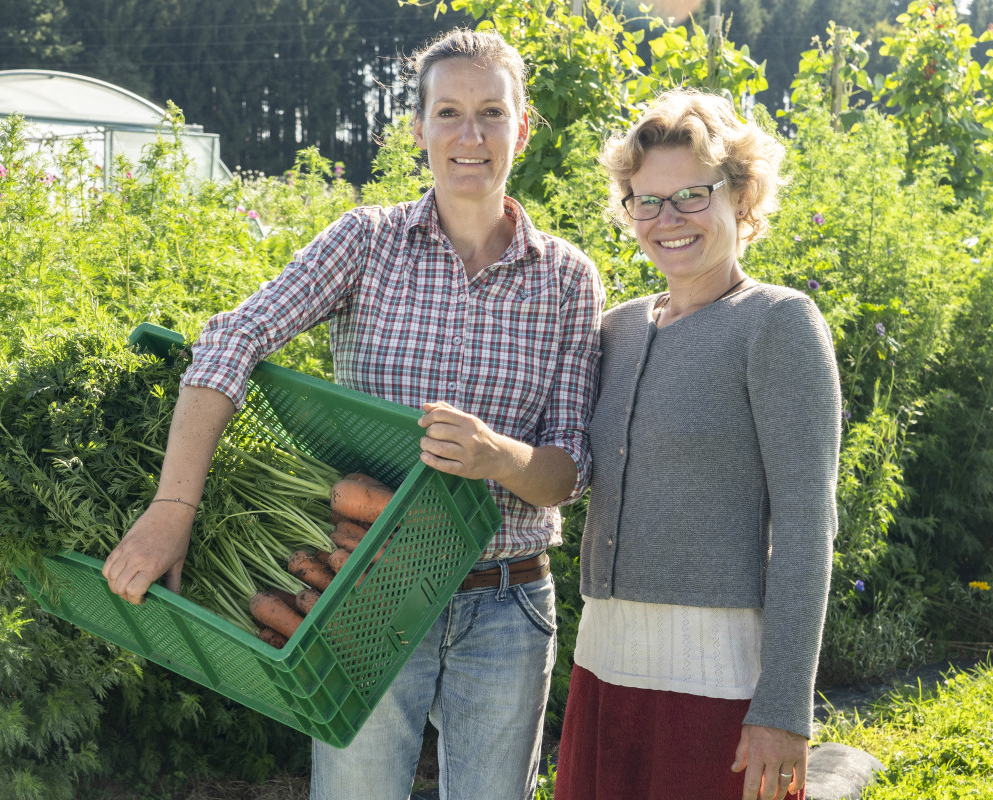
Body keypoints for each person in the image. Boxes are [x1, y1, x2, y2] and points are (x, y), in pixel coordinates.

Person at [102, 28, 604, 800]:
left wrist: (499, 457)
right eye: (448, 113)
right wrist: (174, 506)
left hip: (506, 600)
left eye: (492, 113)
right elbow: (233, 337)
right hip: (367, 590)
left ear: (522, 128)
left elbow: (567, 470)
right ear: (418, 130)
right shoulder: (367, 242)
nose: (469, 136)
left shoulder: (569, 279)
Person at [554, 88, 840, 800]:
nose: (666, 220)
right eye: (645, 201)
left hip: (718, 690)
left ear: (740, 196)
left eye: (690, 195)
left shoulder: (778, 324)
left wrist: (782, 707)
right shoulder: (616, 330)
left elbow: (807, 525)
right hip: (603, 665)